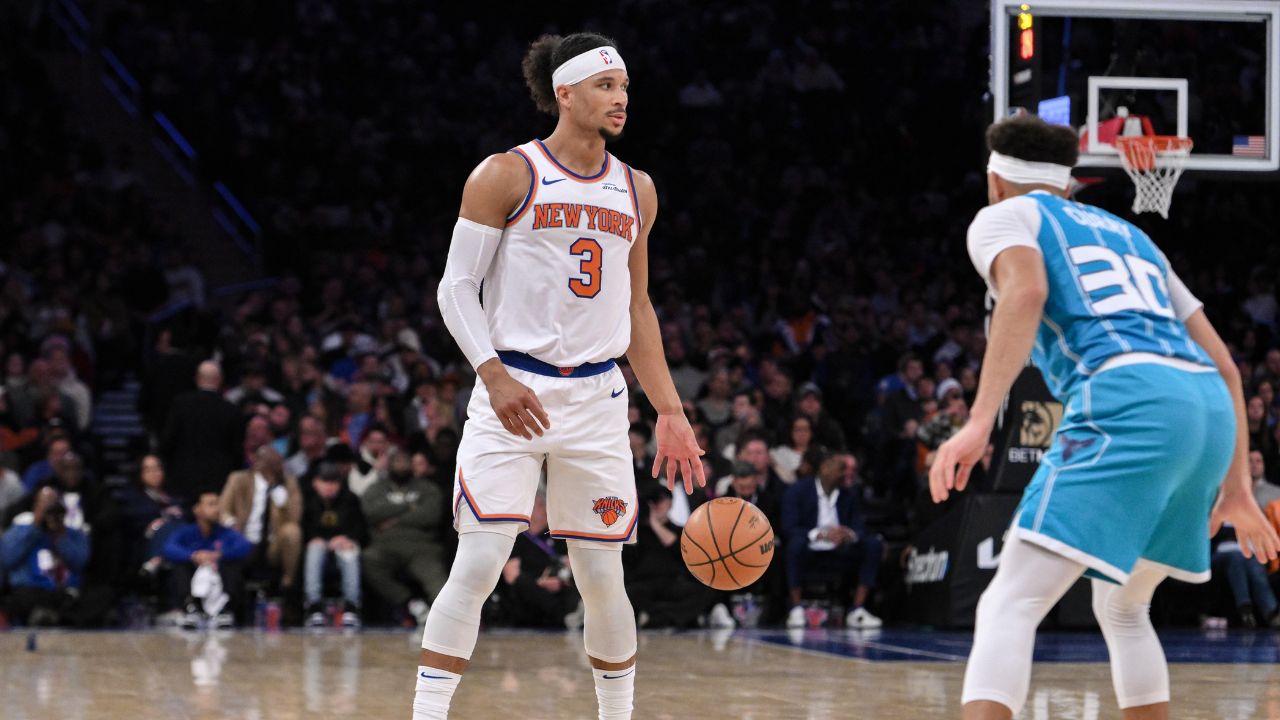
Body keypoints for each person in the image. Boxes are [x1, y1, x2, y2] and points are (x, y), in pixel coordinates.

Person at [928, 114, 1280, 720]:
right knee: (1122, 608)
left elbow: (1027, 291)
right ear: (1067, 183)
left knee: (1007, 604)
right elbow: (1226, 366)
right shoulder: (1133, 236)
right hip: (1204, 409)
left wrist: (979, 420)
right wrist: (1238, 487)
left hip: (1128, 395)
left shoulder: (1003, 216)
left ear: (995, 180)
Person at [418, 32, 705, 720]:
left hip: (598, 399)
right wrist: (490, 373)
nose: (621, 99)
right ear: (565, 93)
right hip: (512, 388)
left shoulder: (638, 189)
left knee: (603, 577)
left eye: (627, 88)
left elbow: (637, 308)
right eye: (606, 87)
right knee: (481, 563)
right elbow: (455, 288)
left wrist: (669, 409)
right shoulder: (506, 174)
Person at [782, 454, 883, 629]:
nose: (843, 473)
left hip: (840, 548)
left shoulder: (849, 494)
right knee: (794, 545)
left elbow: (859, 526)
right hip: (810, 547)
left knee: (873, 544)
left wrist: (847, 533)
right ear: (824, 468)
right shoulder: (798, 491)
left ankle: (857, 610)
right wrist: (819, 534)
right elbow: (788, 527)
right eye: (840, 468)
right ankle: (796, 608)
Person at [361, 450, 448, 626]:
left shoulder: (427, 488)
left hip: (422, 546)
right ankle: (411, 603)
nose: (401, 465)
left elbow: (431, 515)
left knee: (438, 585)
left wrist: (395, 519)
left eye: (405, 461)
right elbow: (372, 512)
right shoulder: (376, 488)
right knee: (368, 559)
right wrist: (411, 507)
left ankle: (448, 620)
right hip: (385, 545)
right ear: (389, 464)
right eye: (397, 461)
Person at [162, 492, 253, 629]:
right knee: (180, 566)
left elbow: (245, 547)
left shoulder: (226, 533)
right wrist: (193, 556)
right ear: (196, 509)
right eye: (211, 504)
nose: (217, 509)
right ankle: (191, 608)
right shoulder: (185, 532)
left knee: (231, 565)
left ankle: (224, 610)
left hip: (220, 583)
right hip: (193, 583)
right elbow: (168, 548)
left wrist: (218, 555)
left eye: (218, 504)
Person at [219, 446, 303, 592]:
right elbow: (222, 510)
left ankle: (288, 584)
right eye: (269, 462)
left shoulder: (289, 483)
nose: (275, 466)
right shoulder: (238, 479)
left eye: (277, 462)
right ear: (257, 463)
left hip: (273, 544)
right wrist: (231, 523)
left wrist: (279, 495)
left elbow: (295, 518)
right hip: (243, 538)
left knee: (292, 531)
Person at [0, 487, 89, 625]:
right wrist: (35, 525)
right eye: (45, 504)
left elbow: (80, 562)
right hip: (28, 593)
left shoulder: (73, 534)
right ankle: (43, 616)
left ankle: (51, 617)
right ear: (36, 506)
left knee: (91, 600)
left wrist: (60, 535)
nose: (50, 510)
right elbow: (7, 557)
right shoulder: (20, 530)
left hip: (62, 595)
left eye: (54, 504)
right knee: (19, 600)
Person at [497, 493, 582, 628]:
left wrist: (559, 579)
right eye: (539, 506)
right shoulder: (517, 537)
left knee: (579, 577)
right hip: (532, 591)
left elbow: (572, 563)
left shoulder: (558, 535)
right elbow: (511, 575)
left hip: (559, 584)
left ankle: (574, 615)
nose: (544, 509)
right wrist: (539, 583)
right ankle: (565, 618)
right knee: (522, 584)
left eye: (543, 505)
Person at [162, 361, 243, 499]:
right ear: (220, 380)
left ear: (197, 379)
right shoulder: (231, 409)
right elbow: (236, 450)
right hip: (218, 481)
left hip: (183, 478)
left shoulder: (180, 404)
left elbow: (168, 440)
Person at [302, 462, 367, 628]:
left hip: (343, 543)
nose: (330, 487)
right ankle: (314, 606)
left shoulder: (351, 499)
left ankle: (351, 606)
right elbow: (304, 528)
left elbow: (361, 529)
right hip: (319, 544)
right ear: (315, 482)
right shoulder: (308, 501)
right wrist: (316, 538)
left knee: (349, 552)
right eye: (325, 482)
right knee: (314, 550)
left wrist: (347, 538)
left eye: (334, 482)